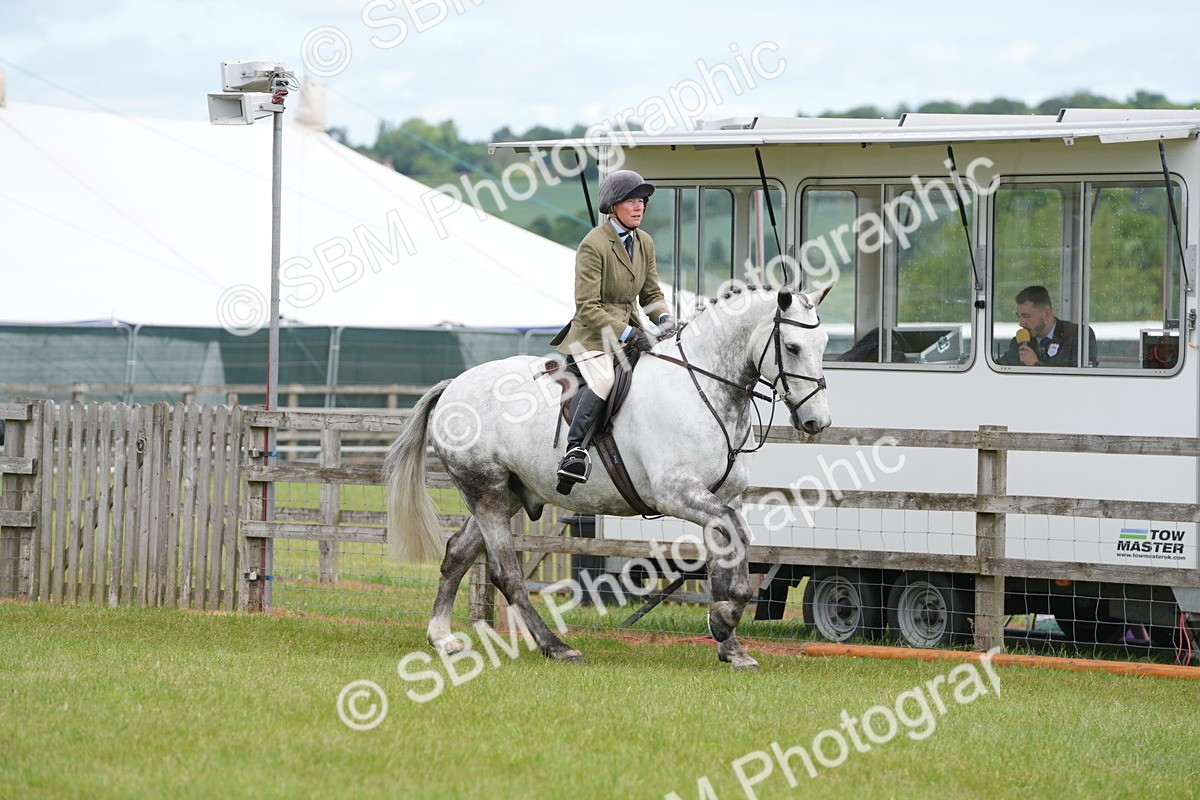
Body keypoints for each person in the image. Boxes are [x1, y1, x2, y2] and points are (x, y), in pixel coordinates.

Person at [549, 170, 676, 491]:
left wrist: (663, 319)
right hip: (592, 334)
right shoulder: (593, 244)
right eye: (631, 201)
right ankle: (574, 450)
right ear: (613, 206)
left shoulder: (644, 241)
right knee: (604, 378)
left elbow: (651, 294)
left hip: (632, 329)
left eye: (642, 201)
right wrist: (628, 334)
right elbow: (586, 306)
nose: (639, 207)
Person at [998, 285, 1099, 367]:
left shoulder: (1079, 336)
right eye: (1019, 317)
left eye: (1026, 316)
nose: (1021, 323)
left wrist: (1036, 365)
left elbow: (1082, 379)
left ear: (1046, 314)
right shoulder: (1019, 344)